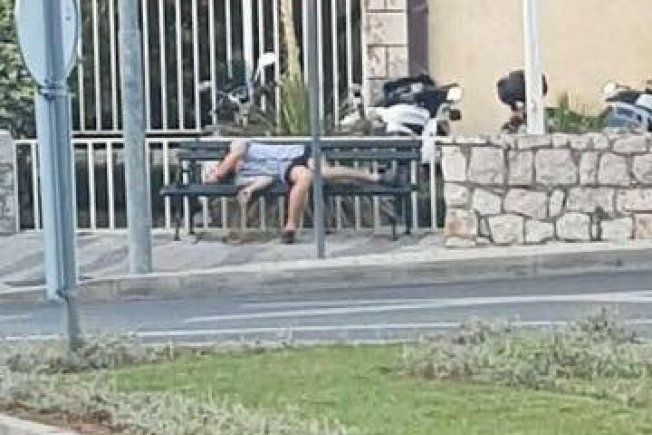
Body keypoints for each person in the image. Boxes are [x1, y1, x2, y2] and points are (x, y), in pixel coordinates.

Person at [204, 139, 397, 243]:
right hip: (287, 170)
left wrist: (218, 174)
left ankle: (374, 177)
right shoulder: (242, 176)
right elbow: (267, 179)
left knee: (323, 172)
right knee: (305, 177)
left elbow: (238, 152)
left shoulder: (236, 146)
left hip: (299, 153)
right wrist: (251, 189)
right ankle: (290, 227)